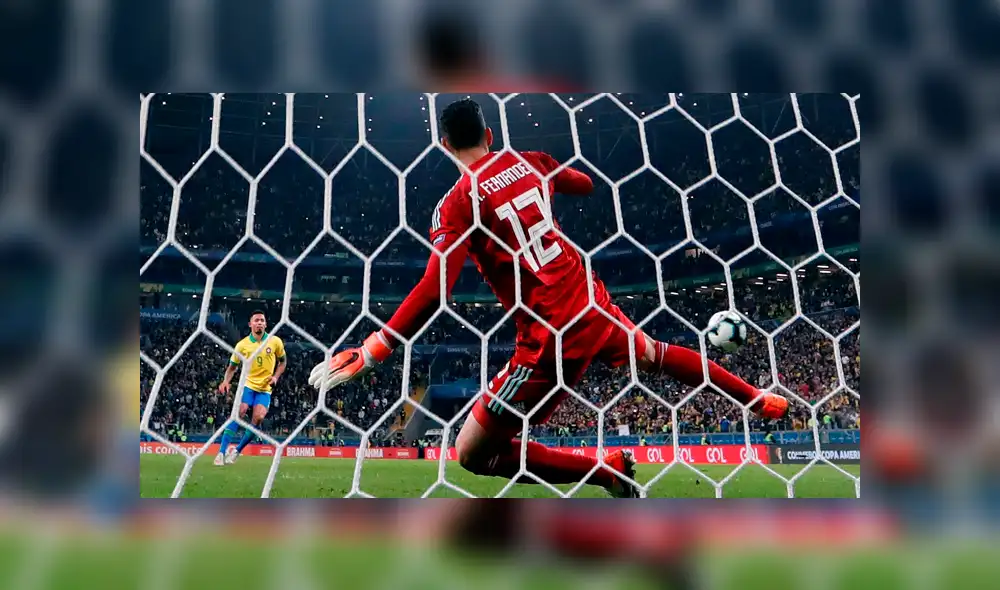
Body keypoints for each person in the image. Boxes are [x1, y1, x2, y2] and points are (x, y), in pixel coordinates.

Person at [310, 98, 787, 497]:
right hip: (590, 300)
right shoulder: (529, 161)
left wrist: (373, 349)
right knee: (655, 353)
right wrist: (551, 175)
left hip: (548, 336)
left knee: (471, 453)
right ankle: (755, 397)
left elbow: (436, 290)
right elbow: (585, 184)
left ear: (445, 145)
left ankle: (606, 473)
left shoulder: (456, 204)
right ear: (490, 135)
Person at [215, 310, 286, 466]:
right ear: (250, 324)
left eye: (262, 320)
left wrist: (275, 377)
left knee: (258, 418)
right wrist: (226, 381)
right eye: (256, 320)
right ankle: (221, 452)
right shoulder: (242, 345)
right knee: (240, 412)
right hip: (247, 385)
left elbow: (283, 362)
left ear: (265, 324)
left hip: (265, 388)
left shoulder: (275, 342)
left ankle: (237, 451)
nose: (259, 322)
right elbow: (232, 367)